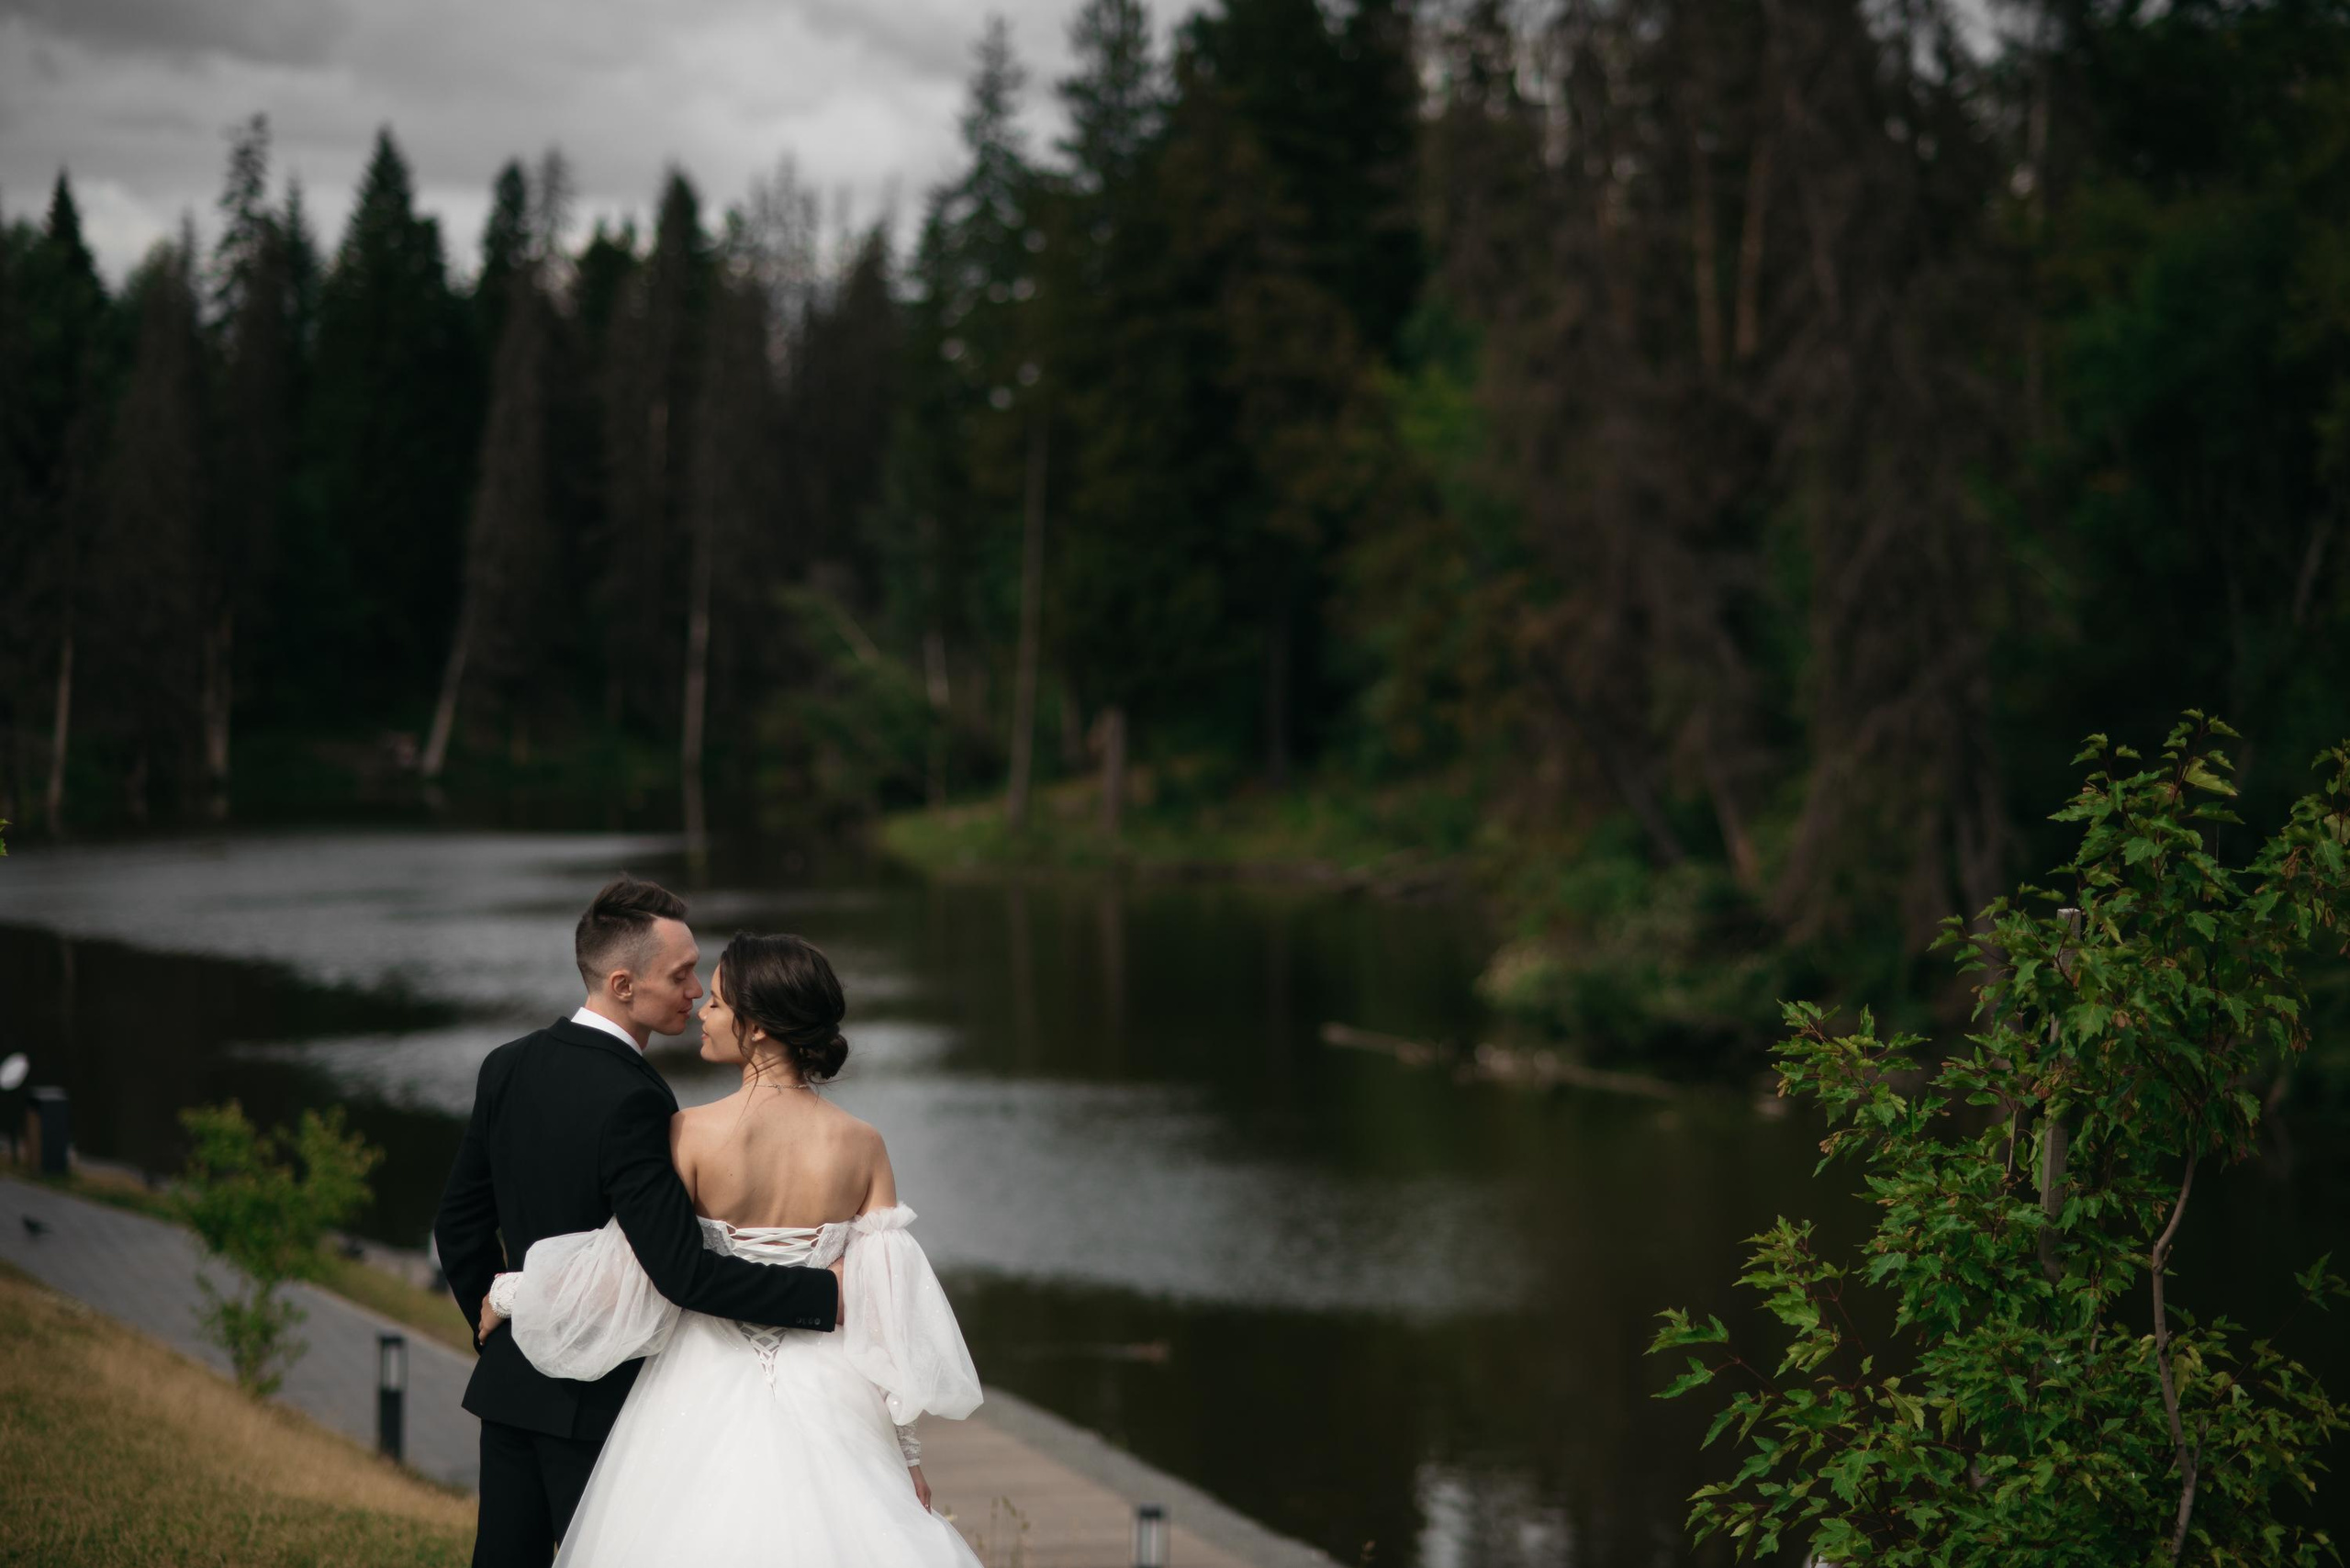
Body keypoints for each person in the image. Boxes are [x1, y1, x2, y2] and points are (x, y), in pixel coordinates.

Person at [476, 928, 983, 1567]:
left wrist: (510, 1290)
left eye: (715, 1002)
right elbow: (885, 1318)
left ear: (761, 1028)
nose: (701, 1015)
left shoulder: (689, 1134)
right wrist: (906, 1458)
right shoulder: (863, 1144)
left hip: (696, 1388)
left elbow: (629, 1273)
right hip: (833, 1394)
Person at [434, 878, 845, 1566]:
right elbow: (679, 1270)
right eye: (682, 975)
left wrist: (505, 1324)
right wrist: (825, 1294)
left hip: (510, 1394)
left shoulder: (507, 1065)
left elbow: (458, 1224)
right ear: (624, 984)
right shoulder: (634, 1100)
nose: (697, 991)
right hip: (600, 1405)